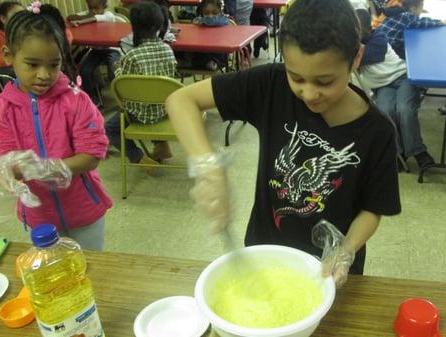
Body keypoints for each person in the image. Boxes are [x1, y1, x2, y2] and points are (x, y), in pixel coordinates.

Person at [166, 0, 402, 288]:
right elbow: (181, 100)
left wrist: (347, 248)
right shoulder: (271, 86)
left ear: (356, 58)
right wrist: (207, 167)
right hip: (265, 252)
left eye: (325, 81)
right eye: (297, 77)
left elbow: (373, 208)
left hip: (328, 270)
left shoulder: (377, 131)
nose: (309, 93)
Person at [0, 9, 113, 250]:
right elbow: (4, 159)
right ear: (9, 56)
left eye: (54, 64)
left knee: (89, 266)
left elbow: (92, 156)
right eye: (32, 64)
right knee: (52, 270)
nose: (44, 75)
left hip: (83, 210)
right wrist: (10, 170)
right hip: (39, 213)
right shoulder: (1, 110)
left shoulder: (77, 101)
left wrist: (50, 167)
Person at [356, 9, 434, 169]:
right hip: (383, 85)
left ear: (369, 28)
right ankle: (397, 154)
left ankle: (418, 151)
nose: (355, 35)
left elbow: (356, 59)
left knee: (404, 110)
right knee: (386, 112)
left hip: (402, 77)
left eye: (359, 31)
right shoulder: (354, 44)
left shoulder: (379, 39)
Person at [106, 1, 178, 170]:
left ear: (135, 27)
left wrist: (117, 68)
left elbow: (122, 86)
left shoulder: (132, 56)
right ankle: (162, 146)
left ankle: (138, 158)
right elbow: (171, 79)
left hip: (139, 114)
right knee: (154, 94)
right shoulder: (168, 50)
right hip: (166, 110)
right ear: (161, 25)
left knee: (110, 128)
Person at [67, 0, 121, 107]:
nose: (94, 12)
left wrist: (81, 21)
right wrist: (82, 16)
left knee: (114, 71)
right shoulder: (88, 15)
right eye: (91, 9)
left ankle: (120, 98)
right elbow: (71, 17)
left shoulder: (109, 15)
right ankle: (93, 97)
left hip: (112, 49)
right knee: (84, 70)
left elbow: (97, 18)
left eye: (96, 9)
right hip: (96, 51)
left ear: (104, 7)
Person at [376, 0, 446, 59]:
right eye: (421, 7)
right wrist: (441, 22)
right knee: (413, 52)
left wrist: (418, 11)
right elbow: (422, 22)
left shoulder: (398, 10)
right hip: (386, 49)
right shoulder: (408, 17)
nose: (421, 9)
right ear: (413, 8)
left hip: (378, 39)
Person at [190, 0, 230, 71]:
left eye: (214, 13)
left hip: (219, 54)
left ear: (220, 13)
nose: (210, 16)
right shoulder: (198, 22)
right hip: (202, 52)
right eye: (206, 13)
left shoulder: (224, 22)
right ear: (202, 13)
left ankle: (214, 62)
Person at [0, 1, 23, 75]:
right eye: (16, 15)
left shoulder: (23, 35)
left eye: (23, 15)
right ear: (3, 18)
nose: (21, 18)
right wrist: (19, 60)